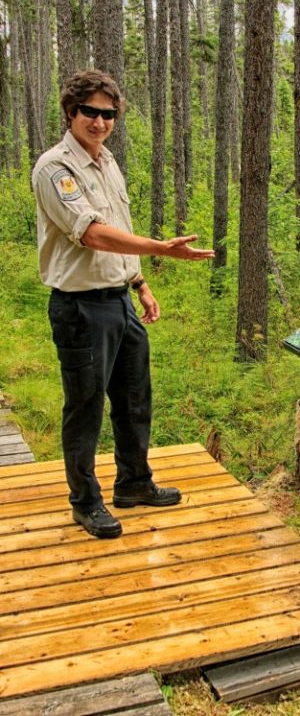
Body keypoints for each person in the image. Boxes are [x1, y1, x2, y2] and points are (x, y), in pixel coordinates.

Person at [32, 69, 214, 539]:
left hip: (119, 302)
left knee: (134, 400)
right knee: (86, 406)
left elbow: (118, 228)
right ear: (71, 113)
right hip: (80, 309)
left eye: (108, 113)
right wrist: (160, 247)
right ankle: (85, 502)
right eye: (90, 112)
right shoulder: (56, 169)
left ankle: (134, 483)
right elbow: (91, 233)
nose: (99, 121)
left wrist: (140, 282)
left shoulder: (107, 162)